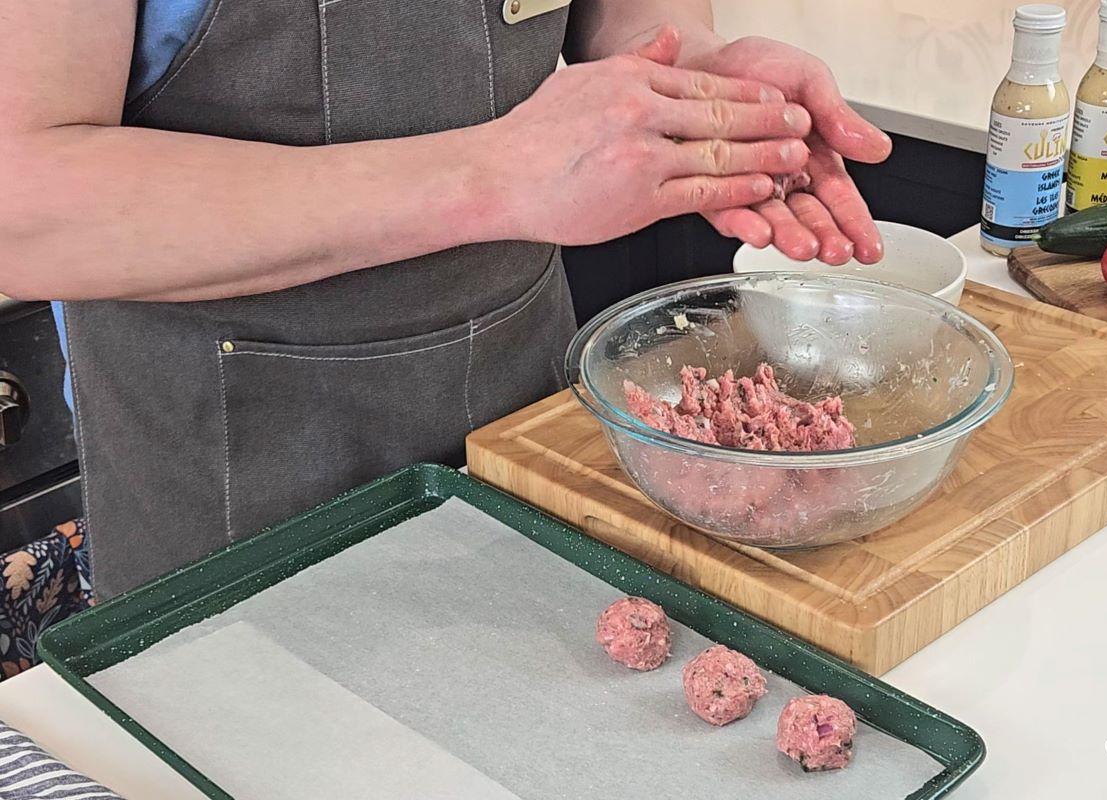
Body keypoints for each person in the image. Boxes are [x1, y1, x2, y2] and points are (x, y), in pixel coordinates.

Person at [0, 1, 892, 599]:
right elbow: (24, 203)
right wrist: (491, 176)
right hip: (231, 479)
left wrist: (699, 84)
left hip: (526, 420)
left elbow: (629, 15)